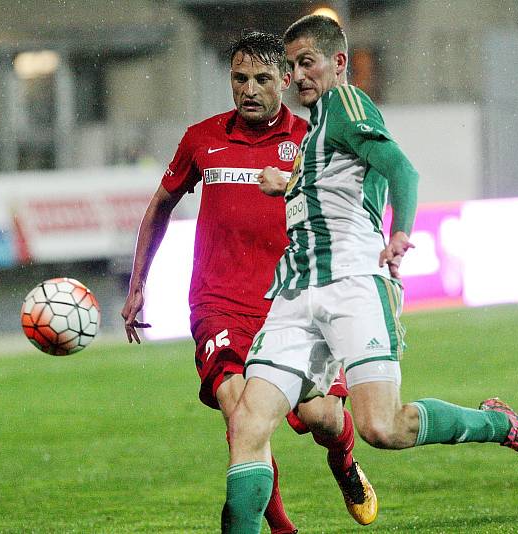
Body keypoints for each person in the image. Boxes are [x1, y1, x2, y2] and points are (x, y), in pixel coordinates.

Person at [221, 15, 518, 533]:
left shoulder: (345, 103)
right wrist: (288, 185)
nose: (298, 76)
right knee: (248, 423)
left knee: (382, 427)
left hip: (353, 286)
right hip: (295, 294)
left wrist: (401, 232)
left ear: (338, 63)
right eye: (291, 67)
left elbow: (402, 168)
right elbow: (335, 188)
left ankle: (500, 423)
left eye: (307, 62)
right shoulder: (315, 132)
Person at [121, 31, 378, 534]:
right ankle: (282, 529)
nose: (250, 89)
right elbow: (160, 207)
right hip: (218, 306)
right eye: (240, 78)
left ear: (286, 80)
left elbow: (348, 216)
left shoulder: (310, 142)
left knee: (324, 417)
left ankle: (344, 460)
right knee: (243, 420)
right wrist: (137, 283)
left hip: (293, 303)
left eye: (262, 78)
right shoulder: (203, 139)